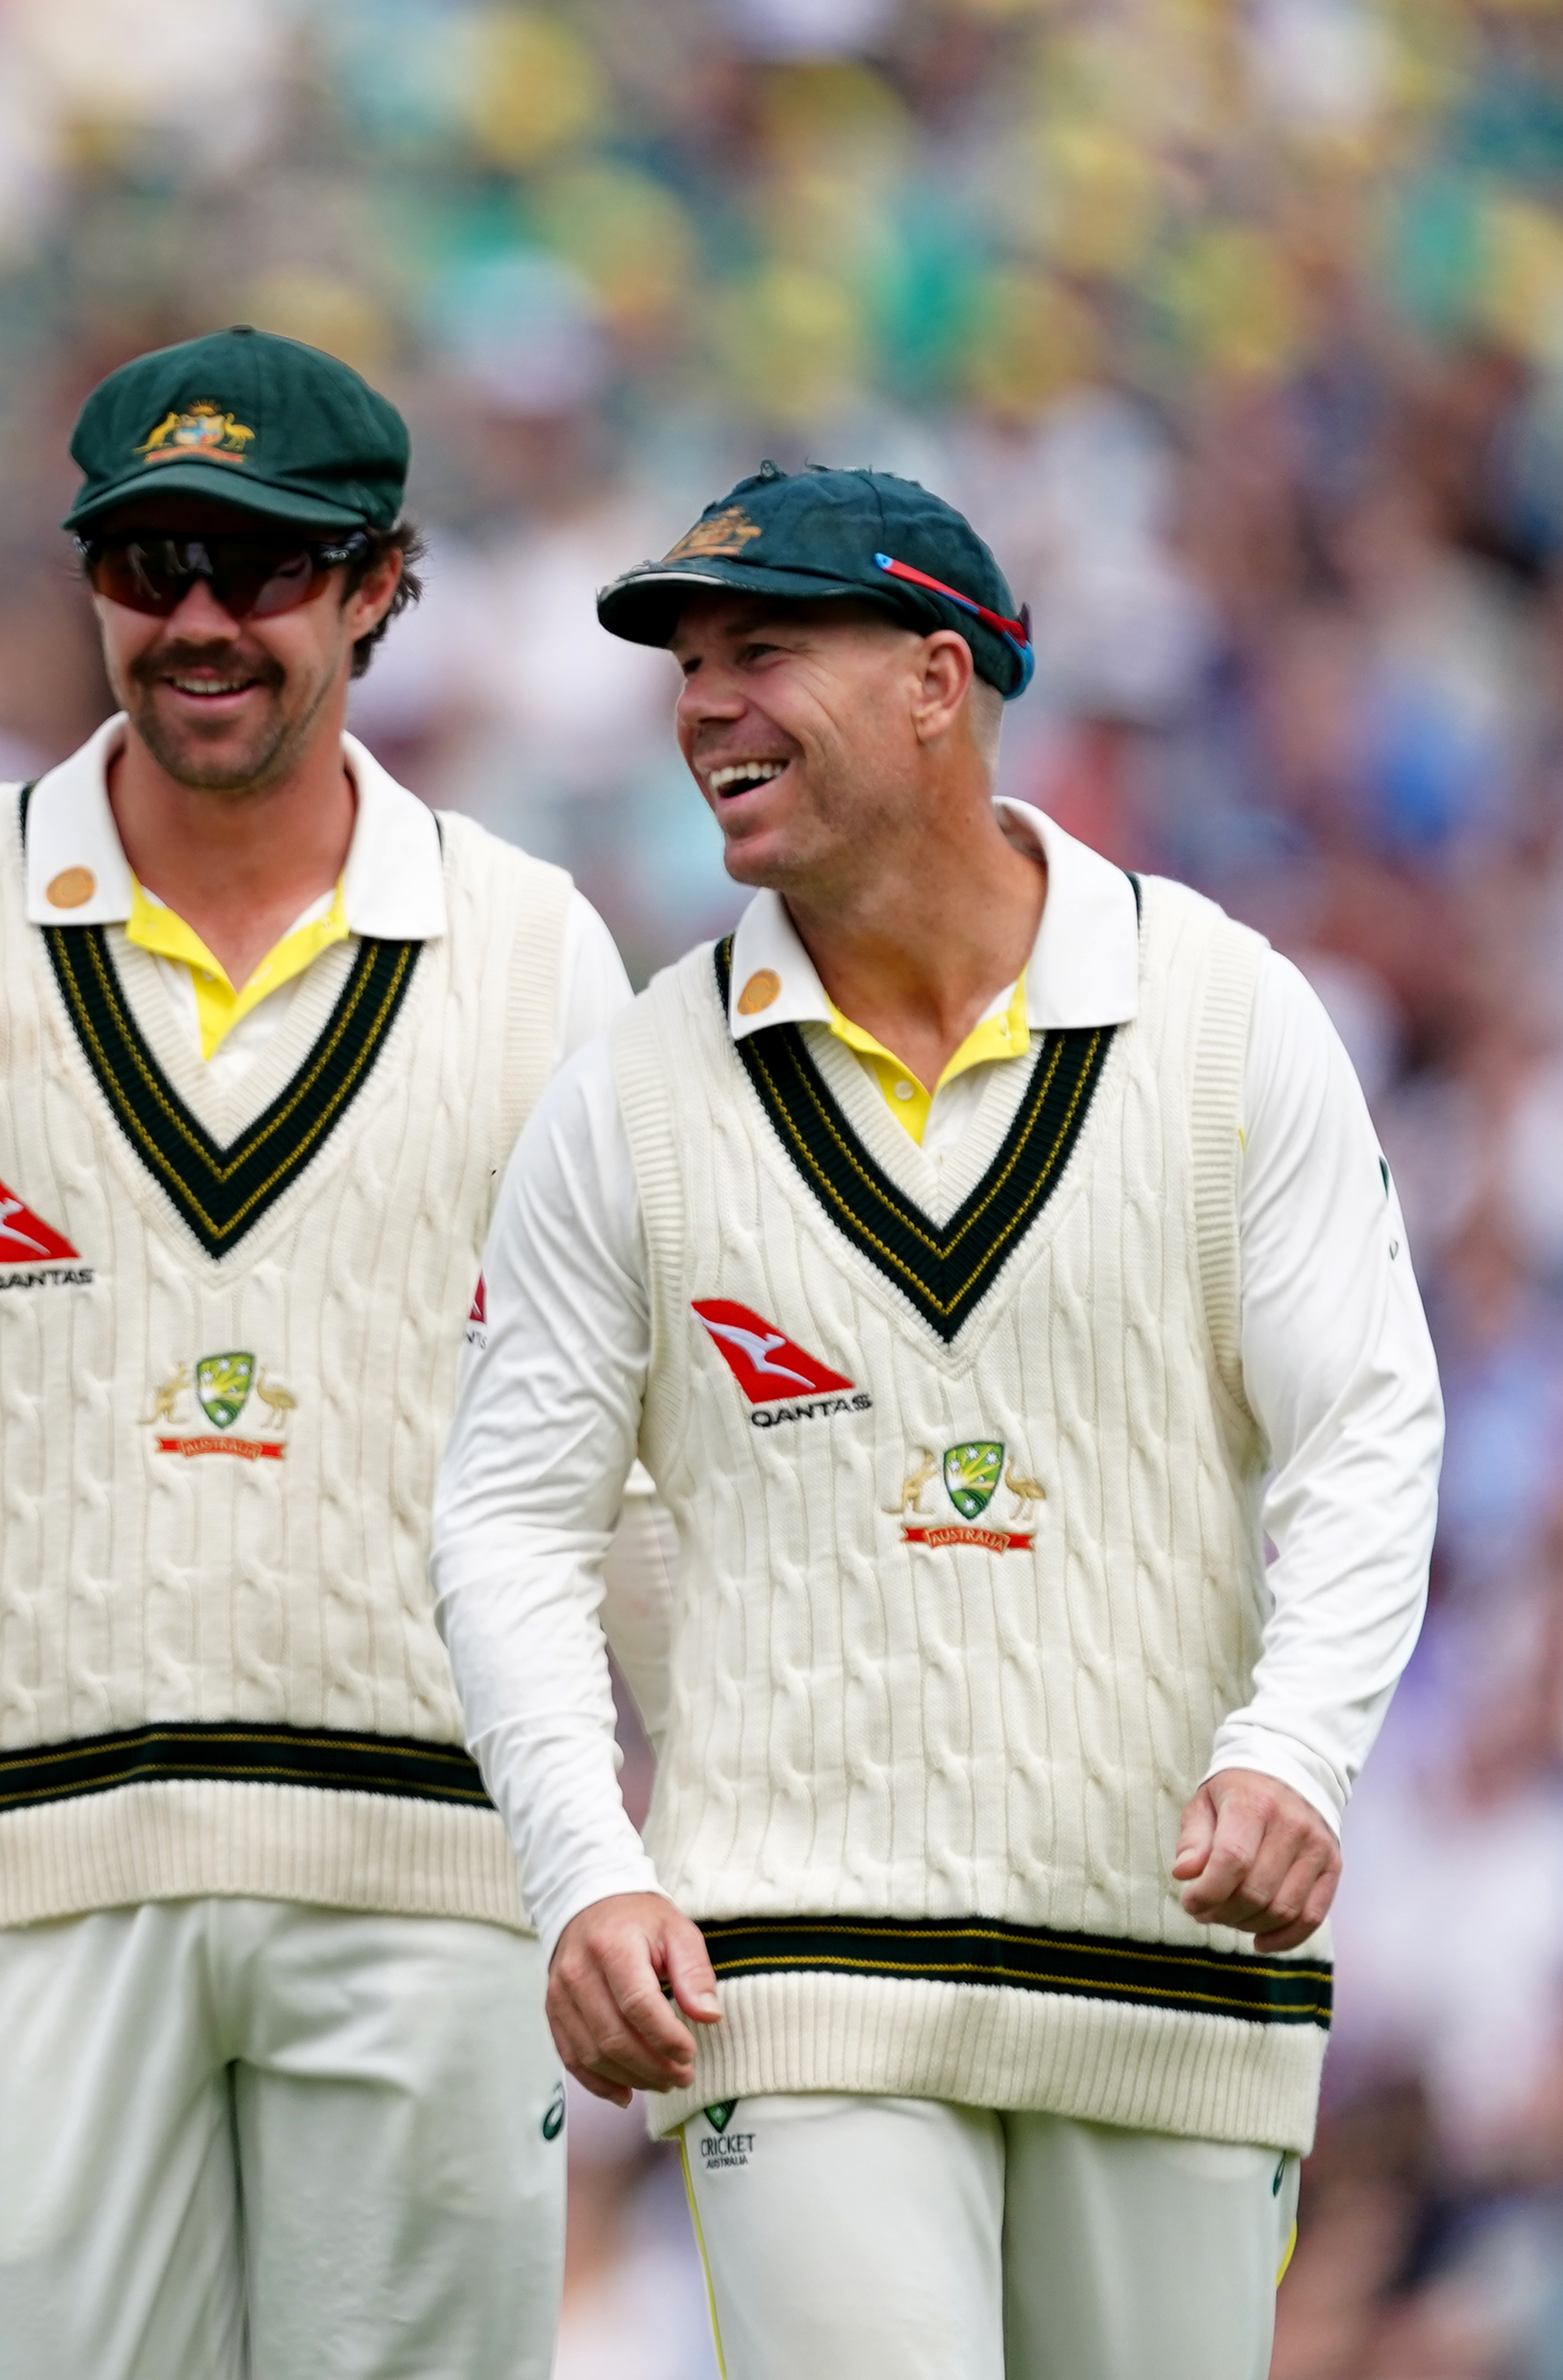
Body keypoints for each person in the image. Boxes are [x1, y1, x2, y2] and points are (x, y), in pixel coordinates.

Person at [0, 327, 631, 2379]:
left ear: (381, 584)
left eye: (265, 565)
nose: (198, 619)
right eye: (149, 562)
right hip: (41, 1849)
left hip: (431, 1854)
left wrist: (673, 1822)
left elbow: (613, 1433)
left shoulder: (534, 947)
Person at [430, 466, 1440, 2379]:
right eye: (688, 665)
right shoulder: (627, 1096)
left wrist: (1296, 1754)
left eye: (762, 652)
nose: (705, 706)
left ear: (936, 680)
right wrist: (589, 1869)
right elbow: (509, 1521)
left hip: (1168, 1982)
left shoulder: (1230, 1020)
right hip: (797, 1981)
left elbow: (1369, 1431)